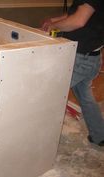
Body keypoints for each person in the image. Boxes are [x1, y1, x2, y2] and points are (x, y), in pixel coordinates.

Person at [42, 0, 104, 146]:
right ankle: (100, 135)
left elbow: (78, 20)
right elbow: (78, 12)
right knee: (85, 96)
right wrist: (54, 19)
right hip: (91, 57)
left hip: (79, 58)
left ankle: (41, 141)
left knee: (48, 96)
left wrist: (53, 25)